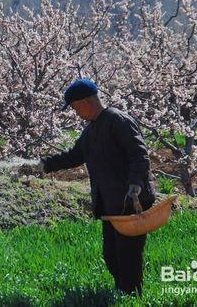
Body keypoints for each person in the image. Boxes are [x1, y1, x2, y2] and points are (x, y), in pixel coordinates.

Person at [31, 78, 156, 296]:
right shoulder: (92, 130)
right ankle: (123, 292)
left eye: (75, 107)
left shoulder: (118, 121)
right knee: (111, 255)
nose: (75, 113)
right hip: (111, 203)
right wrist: (43, 165)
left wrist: (135, 184)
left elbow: (139, 154)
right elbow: (74, 156)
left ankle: (131, 295)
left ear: (86, 102)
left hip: (129, 201)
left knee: (128, 256)